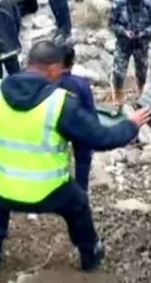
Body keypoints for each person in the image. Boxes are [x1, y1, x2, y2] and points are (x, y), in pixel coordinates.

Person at [0, 41, 151, 278]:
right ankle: (90, 254)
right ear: (55, 68)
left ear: (28, 63)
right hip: (47, 192)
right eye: (61, 70)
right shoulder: (60, 103)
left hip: (2, 186)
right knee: (78, 204)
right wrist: (131, 125)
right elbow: (100, 138)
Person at [109, 0, 151, 106]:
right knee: (119, 72)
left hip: (141, 44)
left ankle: (141, 94)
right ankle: (117, 97)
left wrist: (143, 33)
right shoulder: (119, 4)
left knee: (142, 72)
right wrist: (124, 32)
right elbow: (112, 24)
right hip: (123, 43)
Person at [58, 44, 98, 192]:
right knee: (83, 158)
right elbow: (89, 111)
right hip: (78, 127)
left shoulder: (49, 82)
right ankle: (81, 190)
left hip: (55, 127)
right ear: (73, 62)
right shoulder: (81, 84)